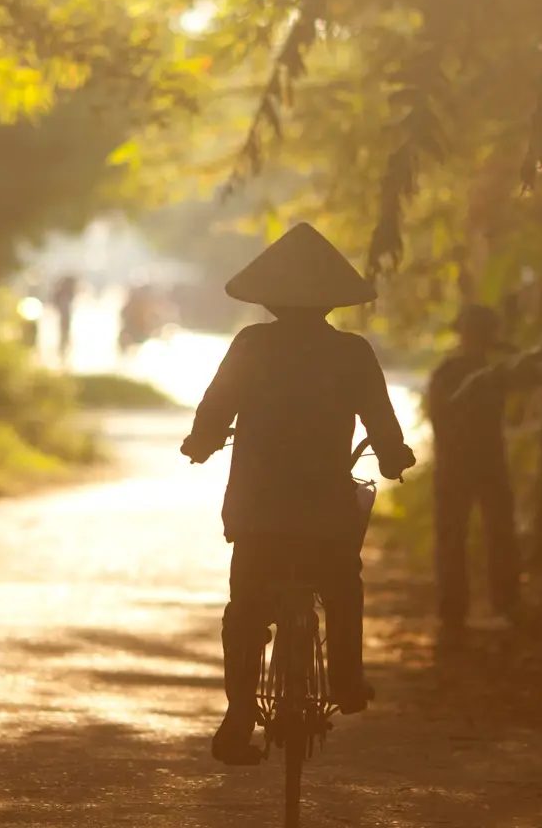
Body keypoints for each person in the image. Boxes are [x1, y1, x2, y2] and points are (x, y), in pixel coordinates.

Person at [181, 222, 417, 766]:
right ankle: (348, 682)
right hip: (324, 512)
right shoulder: (353, 352)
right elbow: (382, 424)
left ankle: (240, 712)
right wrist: (391, 455)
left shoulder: (252, 344)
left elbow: (217, 408)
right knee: (341, 587)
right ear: (333, 301)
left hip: (259, 509)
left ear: (270, 298)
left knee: (245, 608)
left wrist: (202, 443)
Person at [425, 303, 529, 640]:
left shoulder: (488, 373)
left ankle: (495, 603)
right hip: (466, 464)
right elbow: (440, 417)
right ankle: (463, 608)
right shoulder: (470, 373)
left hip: (476, 464)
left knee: (487, 534)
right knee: (463, 535)